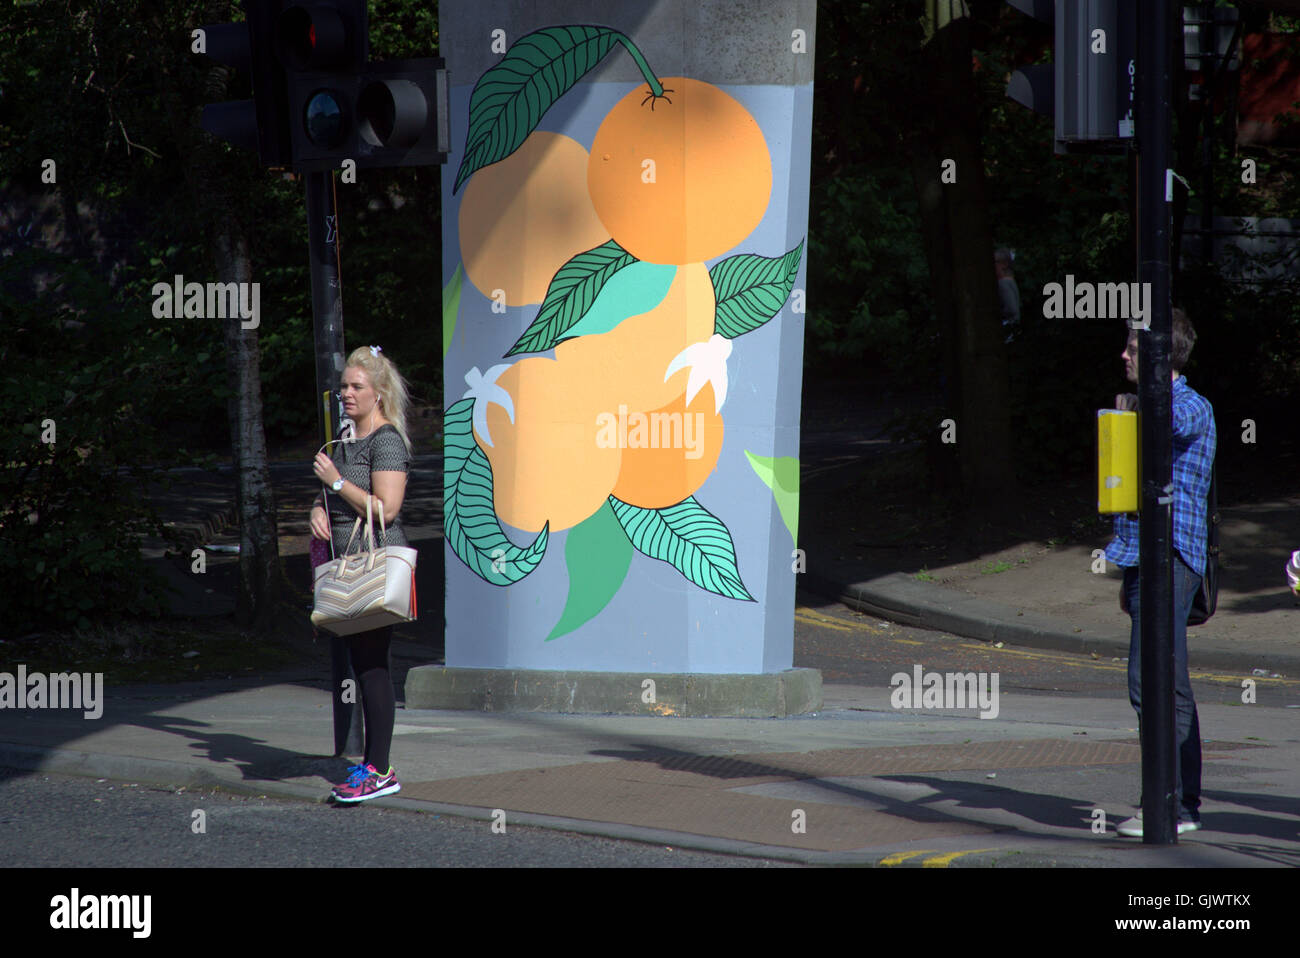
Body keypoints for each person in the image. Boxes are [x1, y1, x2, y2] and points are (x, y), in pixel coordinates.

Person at [1105, 309, 1216, 837]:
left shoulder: (1192, 405)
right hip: (1147, 557)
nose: (1122, 355)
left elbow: (1171, 420)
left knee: (1150, 680)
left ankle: (1166, 805)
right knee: (1168, 682)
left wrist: (1139, 399)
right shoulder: (1151, 405)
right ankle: (1182, 803)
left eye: (1132, 348)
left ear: (1155, 357)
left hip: (1172, 556)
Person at [309, 345, 413, 803]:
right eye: (344, 386)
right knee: (364, 664)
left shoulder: (386, 440)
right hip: (350, 563)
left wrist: (333, 482)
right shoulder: (349, 440)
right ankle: (372, 767)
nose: (346, 394)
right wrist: (318, 507)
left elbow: (386, 509)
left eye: (356, 387)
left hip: (375, 562)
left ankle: (381, 769)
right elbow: (343, 498)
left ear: (379, 393)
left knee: (373, 668)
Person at [994, 247, 1020, 339]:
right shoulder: (1009, 281)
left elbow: (1012, 309)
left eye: (995, 262)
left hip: (1008, 332)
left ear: (1004, 264)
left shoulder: (1003, 283)